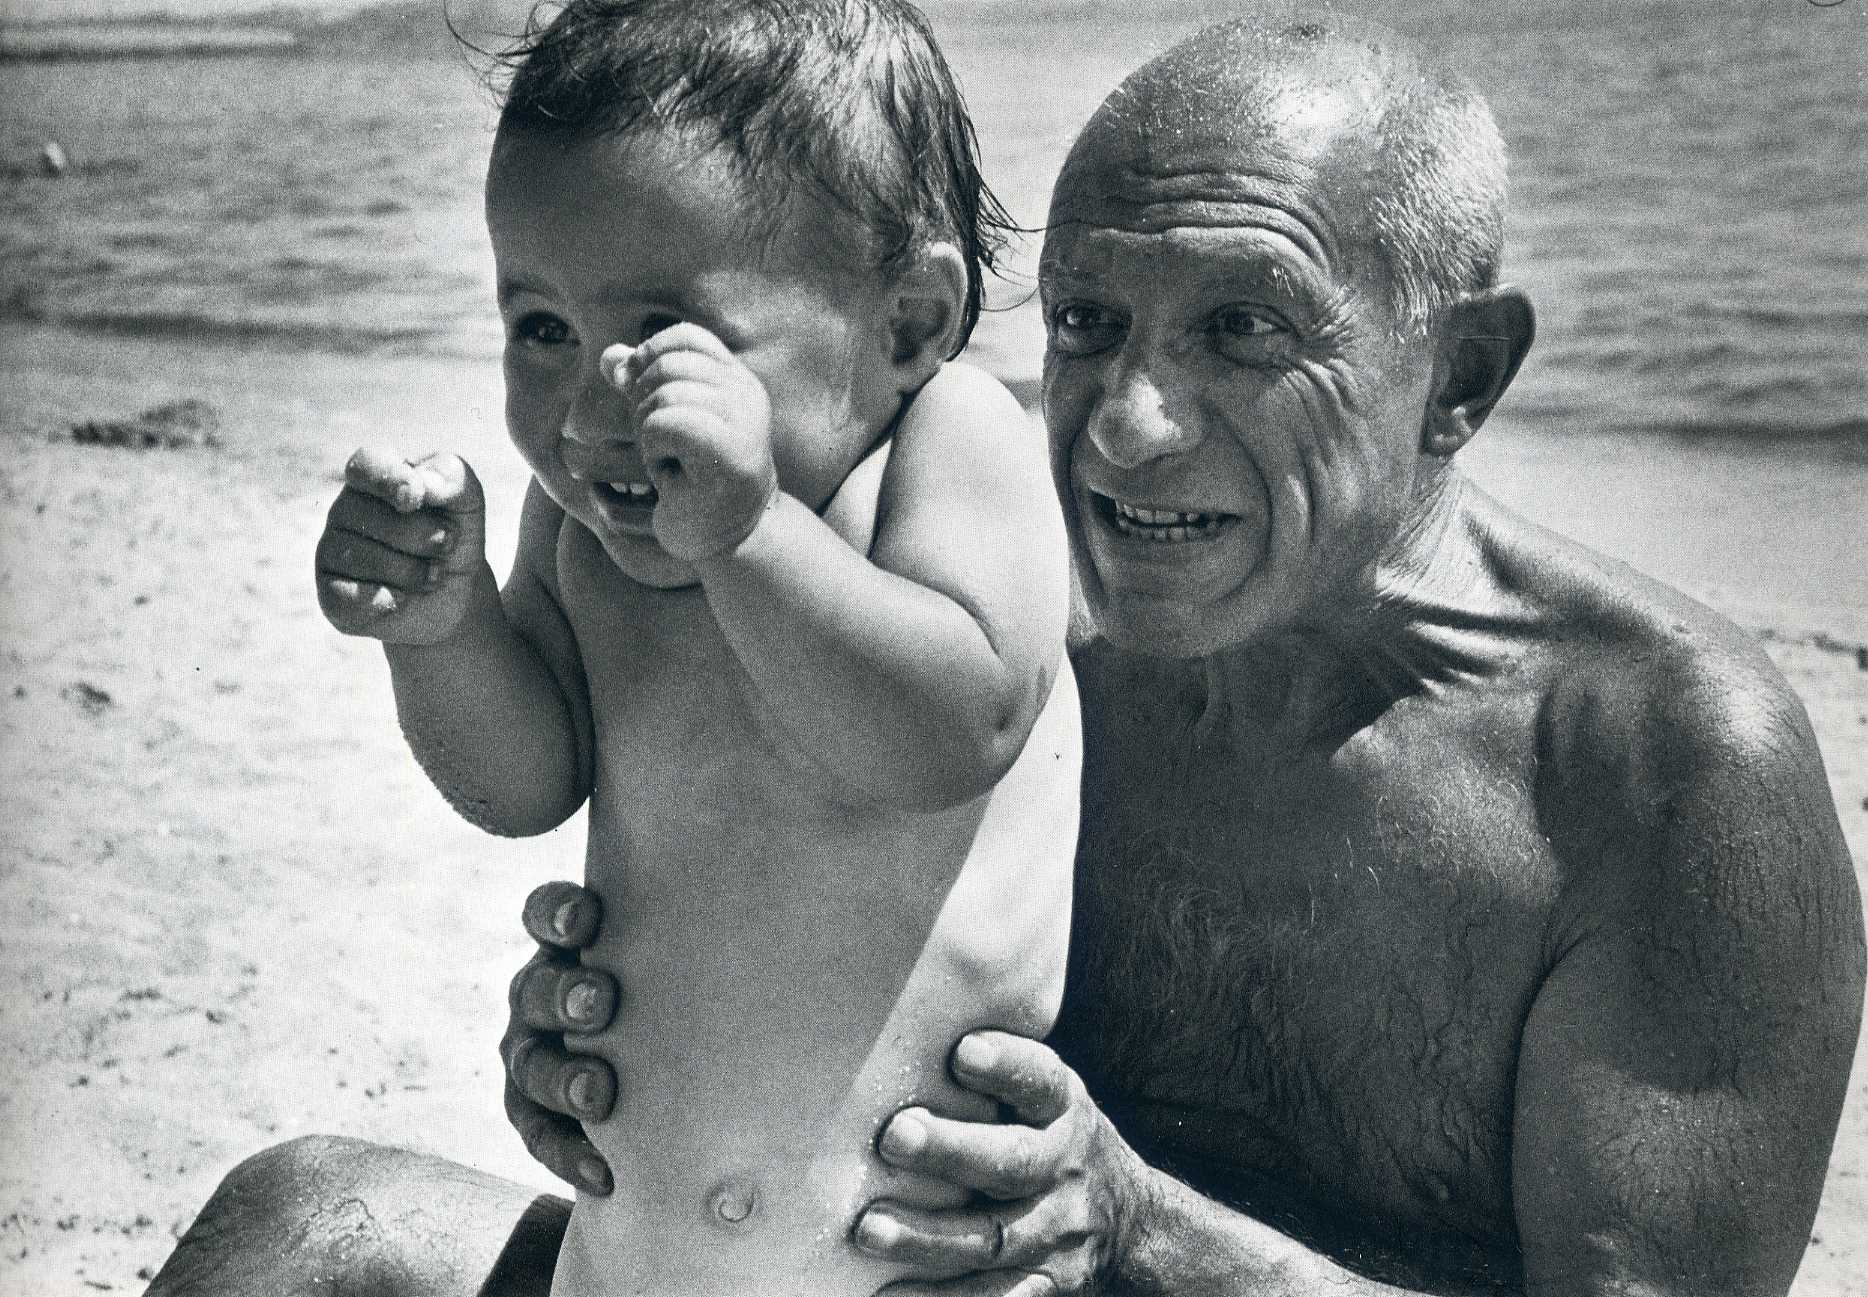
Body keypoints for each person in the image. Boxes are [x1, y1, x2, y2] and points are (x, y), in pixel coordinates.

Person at [145, 13, 1864, 1297]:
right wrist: (628, 1051)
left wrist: (1143, 1229)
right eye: (1092, 326)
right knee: (302, 1218)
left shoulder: (1659, 771)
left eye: (1246, 331)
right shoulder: (969, 594)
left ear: (1464, 378)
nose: (1119, 428)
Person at [303, 0, 1079, 1293]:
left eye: (670, 338)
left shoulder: (951, 447)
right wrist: (444, 631)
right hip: (629, 1260)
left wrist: (754, 530)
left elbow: (956, 729)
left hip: (918, 1265)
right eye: (540, 327)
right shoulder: (586, 525)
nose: (594, 399)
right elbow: (522, 779)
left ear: (908, 323)